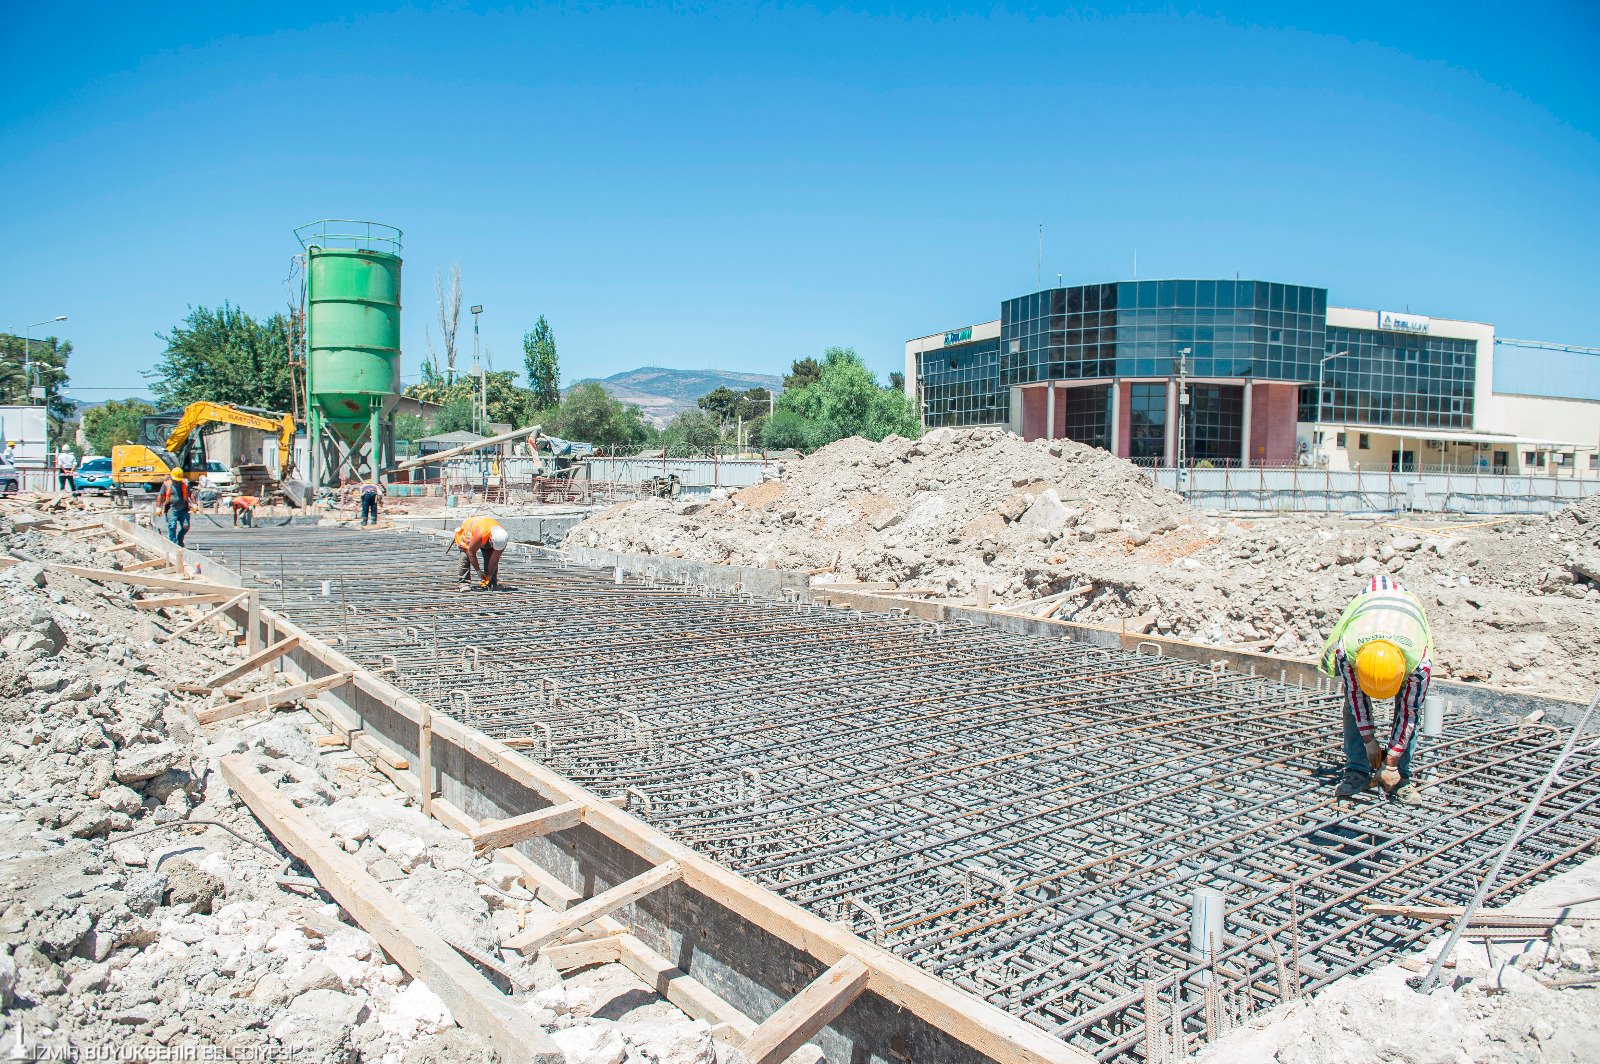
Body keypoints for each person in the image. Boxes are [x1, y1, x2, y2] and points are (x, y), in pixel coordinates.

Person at [1318, 575, 1433, 803]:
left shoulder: (1420, 663)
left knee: (1410, 712)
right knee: (1352, 706)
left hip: (1405, 617)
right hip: (1367, 612)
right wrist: (1370, 741)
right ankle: (1357, 770)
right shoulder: (1347, 653)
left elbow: (1409, 713)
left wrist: (1391, 760)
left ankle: (1400, 775)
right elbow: (1356, 697)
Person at [449, 515, 509, 590]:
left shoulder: (502, 538)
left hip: (486, 535)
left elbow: (494, 558)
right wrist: (478, 571)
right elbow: (471, 553)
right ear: (491, 539)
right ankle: (463, 583)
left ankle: (491, 583)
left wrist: (489, 576)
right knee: (465, 557)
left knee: (490, 556)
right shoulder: (480, 534)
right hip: (469, 534)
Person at [157, 474, 193, 546]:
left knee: (186, 526)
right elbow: (160, 495)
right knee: (172, 525)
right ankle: (173, 543)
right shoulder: (167, 484)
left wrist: (194, 504)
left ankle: (180, 539)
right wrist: (158, 507)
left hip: (183, 509)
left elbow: (190, 493)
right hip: (171, 508)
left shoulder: (185, 484)